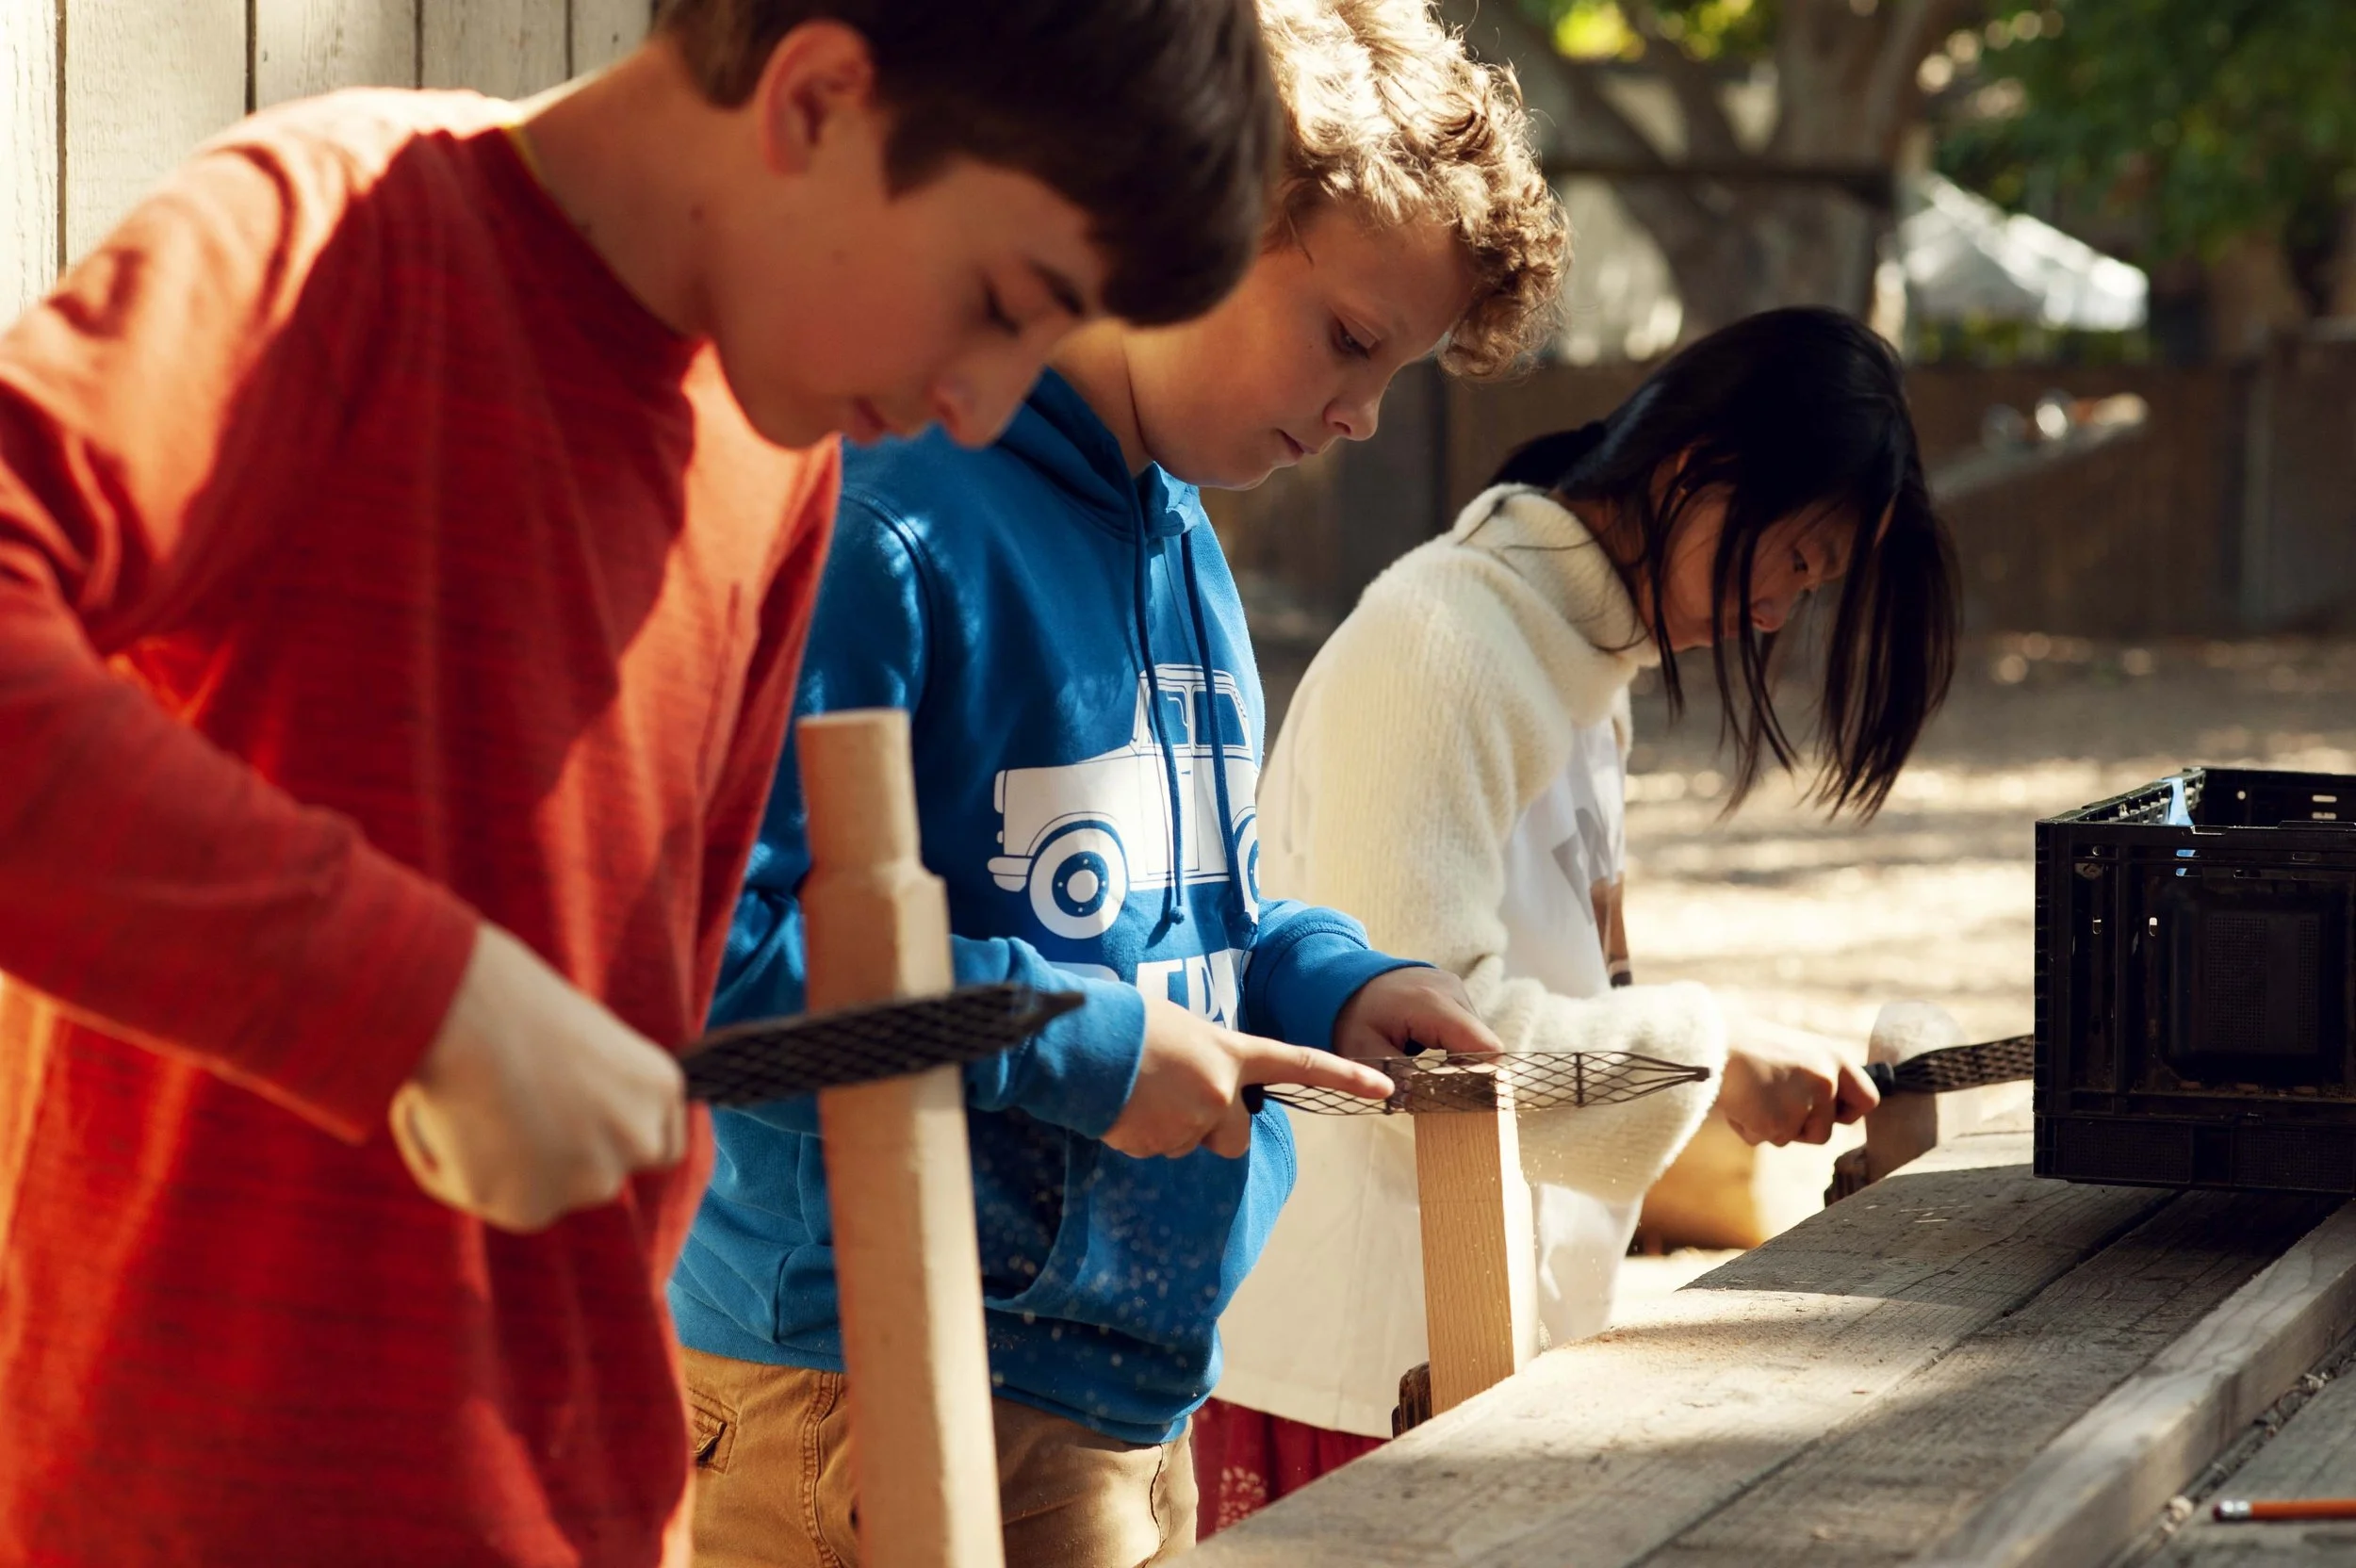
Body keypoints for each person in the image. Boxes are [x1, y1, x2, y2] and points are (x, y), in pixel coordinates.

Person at [0, 2, 1280, 1562]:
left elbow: (669, 1032)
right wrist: (427, 1005)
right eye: (1001, 302)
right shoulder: (326, 235)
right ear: (816, 99)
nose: (984, 405)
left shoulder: (781, 467)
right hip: (200, 1501)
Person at [665, 3, 1568, 1562]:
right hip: (877, 1389)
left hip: (1115, 1391)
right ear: (1183, 215)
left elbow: (1172, 908)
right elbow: (714, 963)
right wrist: (1082, 1047)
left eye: (1394, 374)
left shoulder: (1183, 539)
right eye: (1350, 339)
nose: (1360, 414)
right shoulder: (891, 527)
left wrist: (1327, 979)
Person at [1203, 306, 1957, 1528]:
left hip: (1482, 1350)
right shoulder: (1439, 646)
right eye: (1797, 560)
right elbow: (1412, 1066)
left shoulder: (1577, 674)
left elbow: (1546, 991)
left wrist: (1716, 1052)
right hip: (1356, 1373)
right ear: (1695, 471)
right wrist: (1708, 1058)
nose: (1776, 614)